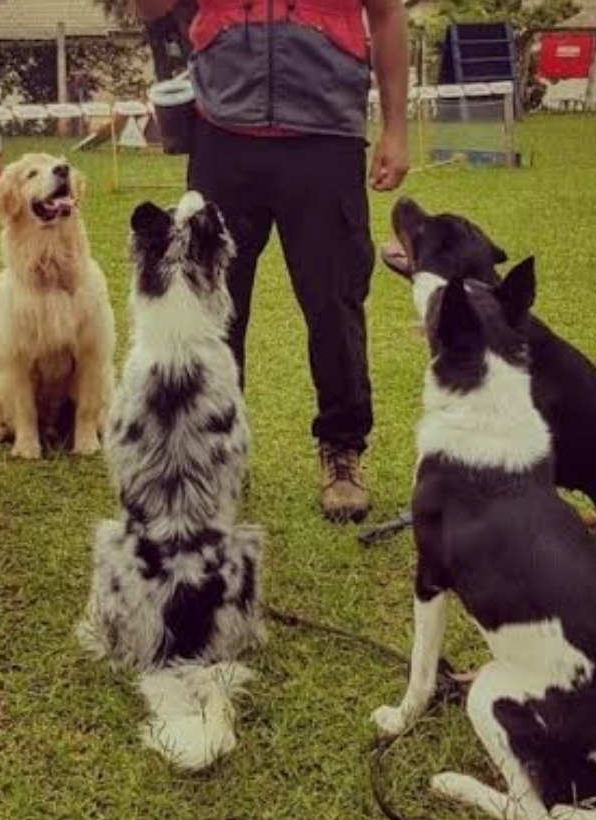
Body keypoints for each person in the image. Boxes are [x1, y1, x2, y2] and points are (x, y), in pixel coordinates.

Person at [134, 0, 410, 522]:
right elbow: (150, 9)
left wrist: (396, 130)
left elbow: (388, 15)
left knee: (334, 302)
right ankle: (217, 451)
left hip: (326, 137)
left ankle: (342, 449)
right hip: (222, 136)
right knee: (211, 308)